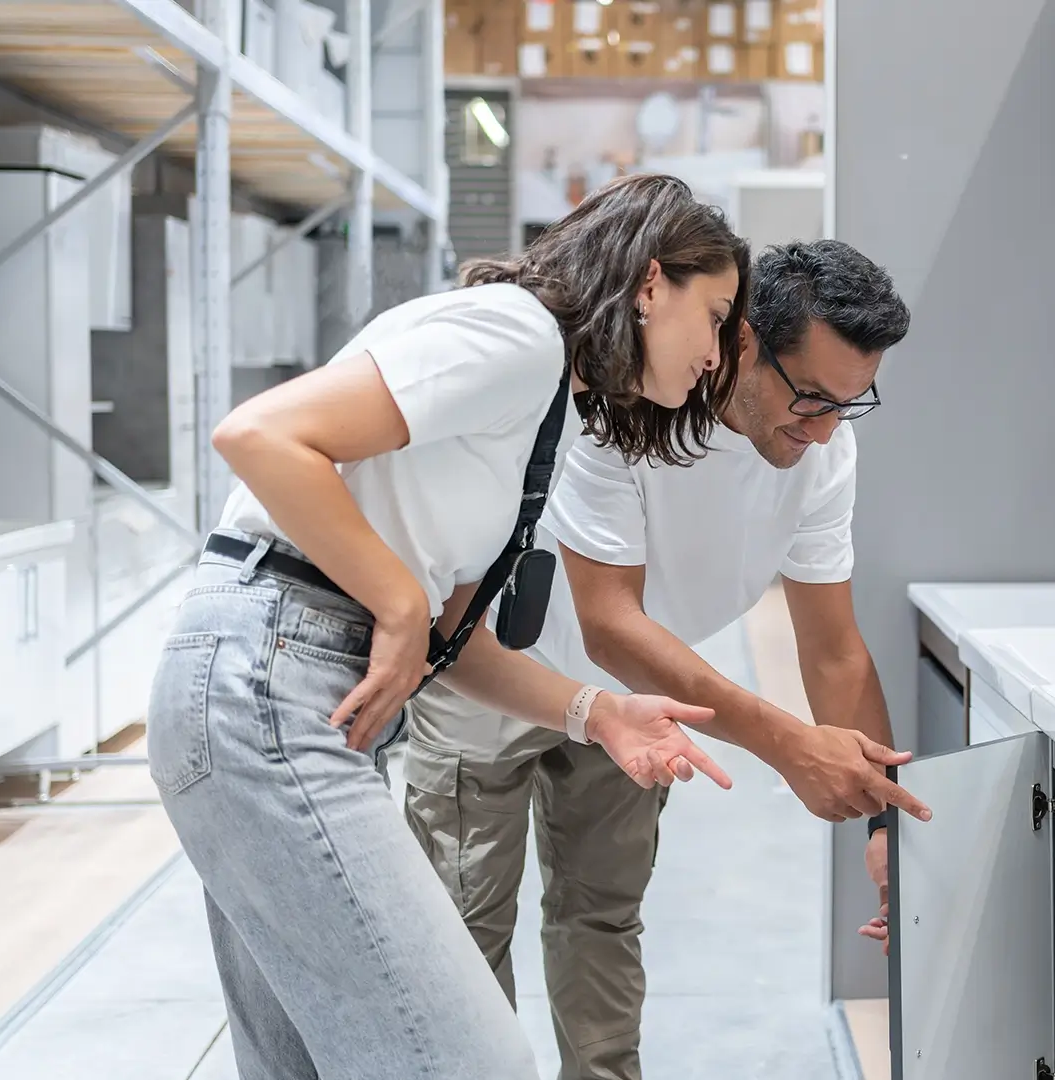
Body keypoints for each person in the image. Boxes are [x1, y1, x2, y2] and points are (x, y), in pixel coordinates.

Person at [147, 175, 751, 1080]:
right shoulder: (517, 333)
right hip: (267, 673)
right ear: (651, 283)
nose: (716, 352)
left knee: (300, 1064)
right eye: (716, 314)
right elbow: (262, 436)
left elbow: (452, 642)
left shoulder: (544, 400)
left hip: (293, 692)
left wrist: (600, 713)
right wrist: (394, 599)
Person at [402, 240, 920, 1080]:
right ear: (744, 342)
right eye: (813, 398)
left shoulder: (823, 452)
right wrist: (788, 746)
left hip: (637, 702)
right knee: (462, 925)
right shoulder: (624, 410)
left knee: (602, 918)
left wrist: (883, 819)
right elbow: (608, 623)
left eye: (849, 406)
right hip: (496, 671)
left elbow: (833, 649)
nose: (824, 429)